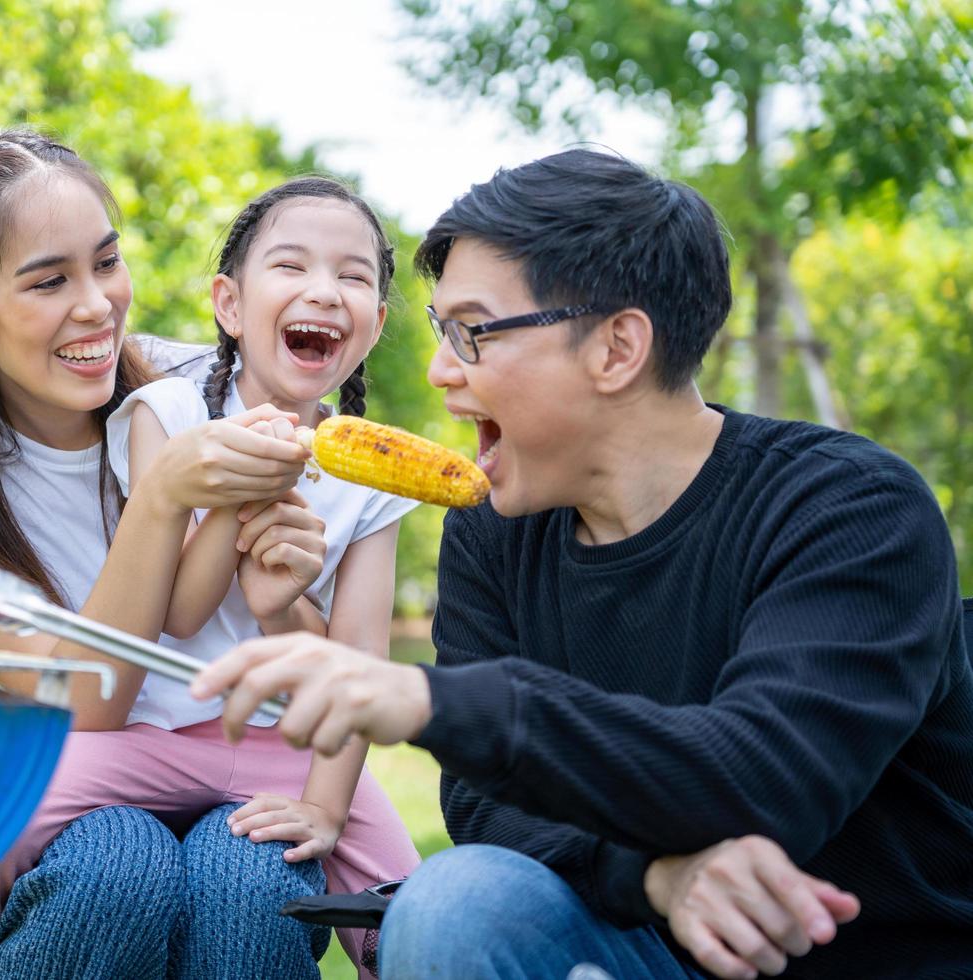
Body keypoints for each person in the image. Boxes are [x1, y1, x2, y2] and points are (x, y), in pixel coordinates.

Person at [193, 149, 973, 978]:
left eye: (472, 333)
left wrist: (432, 698)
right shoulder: (491, 532)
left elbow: (768, 775)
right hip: (638, 950)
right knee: (457, 900)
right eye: (438, 331)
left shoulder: (851, 510)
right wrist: (654, 875)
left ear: (616, 348)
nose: (439, 371)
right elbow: (485, 807)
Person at [0, 129, 325, 978]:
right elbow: (88, 705)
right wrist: (166, 497)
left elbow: (321, 657)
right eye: (48, 281)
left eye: (106, 262)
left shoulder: (203, 396)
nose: (98, 305)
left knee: (249, 874)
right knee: (119, 861)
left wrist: (289, 590)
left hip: (236, 785)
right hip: (70, 830)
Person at [0, 175, 423, 980]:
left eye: (353, 278)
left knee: (417, 913)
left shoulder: (374, 479)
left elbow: (361, 669)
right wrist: (232, 498)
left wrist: (324, 804)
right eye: (292, 267)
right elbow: (176, 611)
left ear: (375, 324)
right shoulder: (167, 415)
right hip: (154, 735)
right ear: (230, 306)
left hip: (282, 746)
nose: (325, 291)